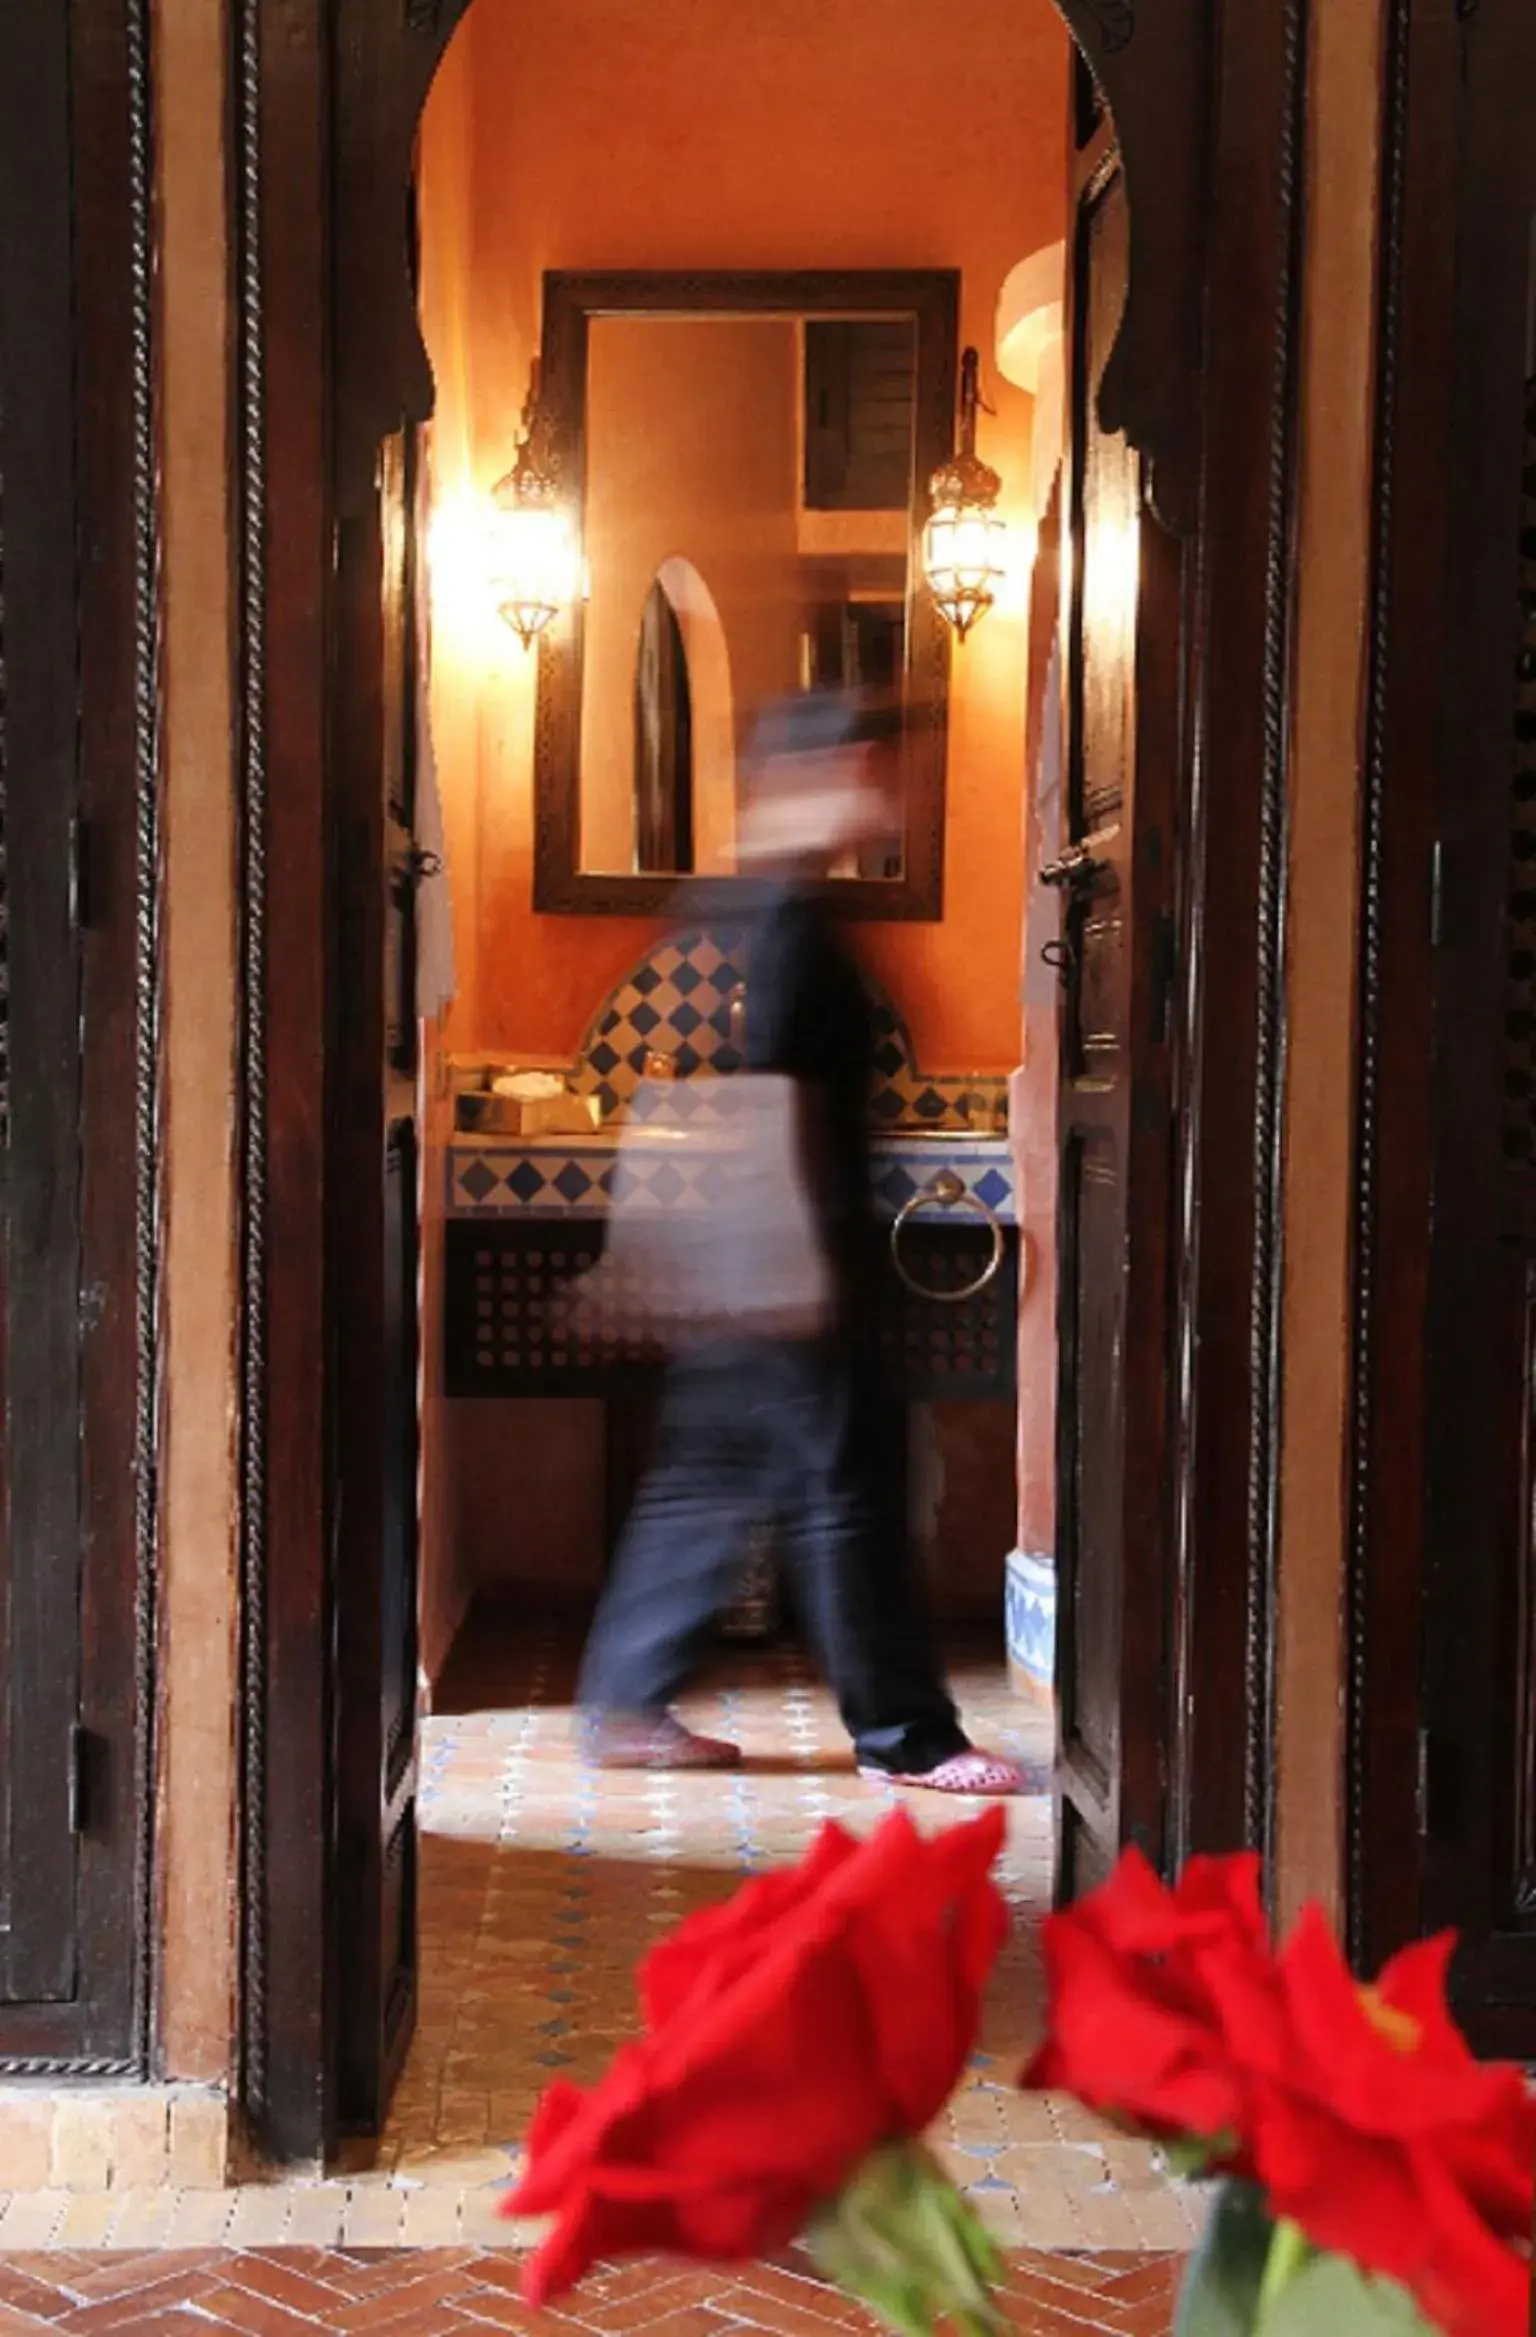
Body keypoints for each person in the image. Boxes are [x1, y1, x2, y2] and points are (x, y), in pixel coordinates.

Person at [575, 690, 1024, 1794]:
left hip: (773, 1263)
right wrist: (800, 1273)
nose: (900, 793)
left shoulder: (755, 903)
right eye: (889, 771)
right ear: (842, 769)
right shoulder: (790, 923)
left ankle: (630, 1701)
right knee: (850, 1490)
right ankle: (905, 1736)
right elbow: (774, 1103)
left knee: (711, 1475)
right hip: (797, 1262)